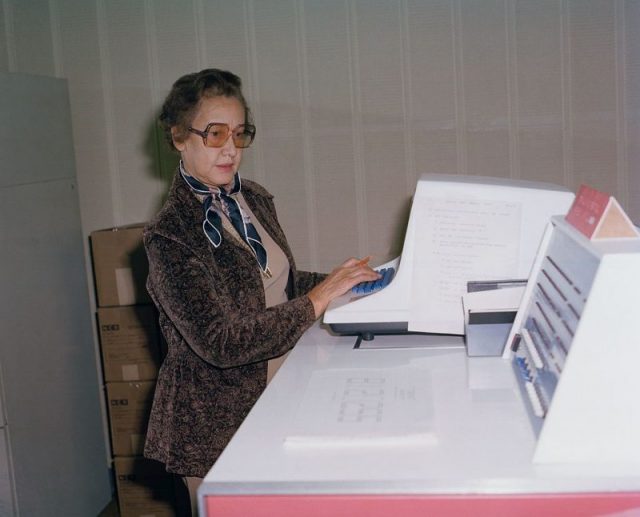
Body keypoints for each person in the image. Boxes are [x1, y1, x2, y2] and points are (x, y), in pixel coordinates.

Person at [142, 68, 380, 515]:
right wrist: (317, 300)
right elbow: (220, 342)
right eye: (214, 134)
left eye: (239, 133)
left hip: (283, 388)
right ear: (178, 137)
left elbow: (276, 286)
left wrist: (344, 283)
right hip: (216, 420)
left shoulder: (252, 198)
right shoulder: (169, 235)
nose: (231, 148)